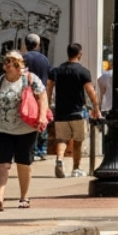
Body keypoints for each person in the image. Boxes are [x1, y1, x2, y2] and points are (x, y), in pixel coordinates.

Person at [0, 51, 49, 210]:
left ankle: (24, 197)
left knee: (23, 163)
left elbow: (42, 96)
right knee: (2, 164)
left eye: (13, 63)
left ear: (20, 66)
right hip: (1, 129)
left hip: (25, 129)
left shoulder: (30, 79)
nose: (8, 66)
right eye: (6, 62)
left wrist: (42, 116)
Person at [46, 43, 99, 178]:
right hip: (78, 111)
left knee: (62, 139)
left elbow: (49, 88)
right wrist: (96, 107)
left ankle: (59, 160)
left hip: (61, 111)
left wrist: (47, 105)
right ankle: (76, 168)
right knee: (77, 141)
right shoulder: (83, 71)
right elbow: (90, 90)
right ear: (79, 54)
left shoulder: (56, 71)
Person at [22, 33, 52, 160]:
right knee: (42, 119)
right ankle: (42, 150)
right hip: (41, 94)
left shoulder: (22, 59)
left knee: (28, 120)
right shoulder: (45, 60)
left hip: (25, 94)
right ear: (37, 45)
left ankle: (31, 149)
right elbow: (49, 80)